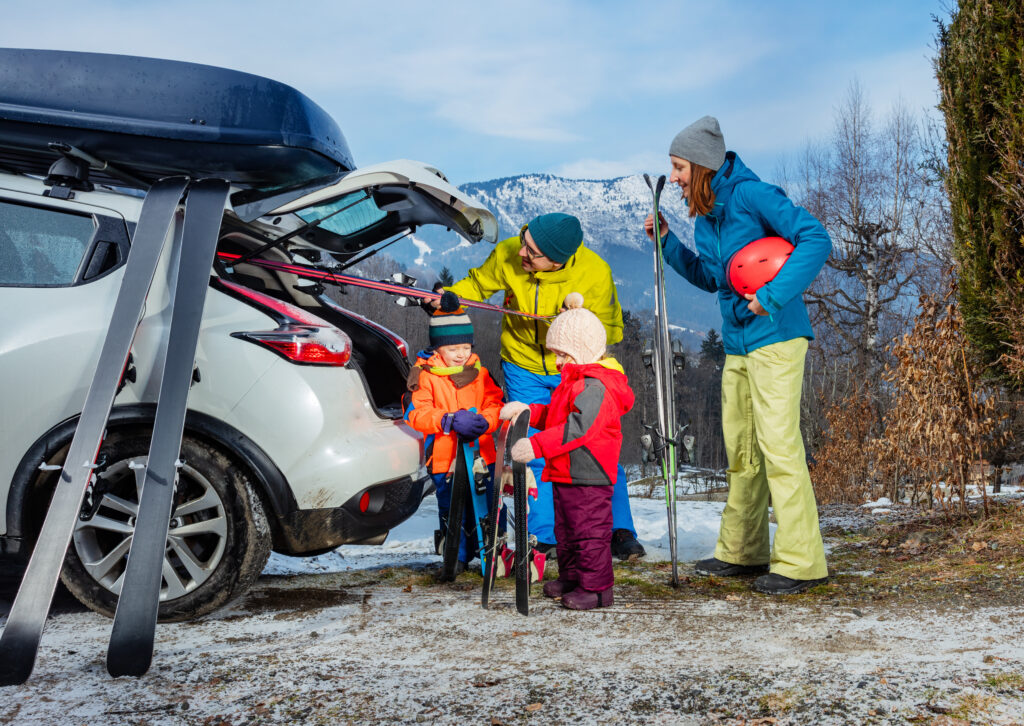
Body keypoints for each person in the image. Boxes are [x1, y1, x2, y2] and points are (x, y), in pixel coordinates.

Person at [644, 115, 831, 595]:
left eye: (679, 167)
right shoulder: (707, 218)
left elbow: (816, 238)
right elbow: (713, 278)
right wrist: (667, 243)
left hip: (776, 337)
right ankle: (743, 552)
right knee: (743, 450)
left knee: (779, 447)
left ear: (703, 165)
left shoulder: (753, 195)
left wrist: (772, 295)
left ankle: (800, 563)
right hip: (738, 344)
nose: (677, 177)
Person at [442, 212, 646, 562]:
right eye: (525, 241)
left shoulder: (594, 273)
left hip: (575, 368)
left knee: (595, 446)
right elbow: (476, 286)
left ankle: (618, 529)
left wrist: (572, 327)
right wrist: (448, 297)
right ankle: (545, 535)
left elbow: (611, 331)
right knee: (532, 446)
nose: (522, 253)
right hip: (523, 365)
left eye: (533, 252)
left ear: (557, 260)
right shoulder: (511, 253)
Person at [501, 308, 634, 610]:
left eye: (564, 355)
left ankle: (597, 589)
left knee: (589, 533)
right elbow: (555, 416)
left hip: (588, 472)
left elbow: (578, 428)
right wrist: (528, 412)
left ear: (584, 351)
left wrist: (535, 446)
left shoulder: (596, 387)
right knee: (567, 531)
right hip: (565, 471)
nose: (558, 362)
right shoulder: (573, 383)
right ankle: (573, 577)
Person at [405, 304, 505, 576]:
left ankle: (493, 554)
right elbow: (416, 414)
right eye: (453, 349)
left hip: (481, 454)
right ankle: (456, 556)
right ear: (438, 349)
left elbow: (496, 403)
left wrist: (486, 420)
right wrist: (447, 420)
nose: (461, 354)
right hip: (444, 457)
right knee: (451, 507)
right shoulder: (425, 375)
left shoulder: (479, 372)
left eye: (466, 347)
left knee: (488, 505)